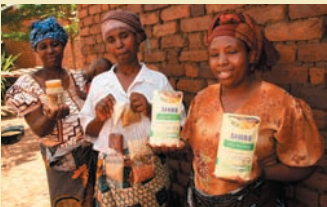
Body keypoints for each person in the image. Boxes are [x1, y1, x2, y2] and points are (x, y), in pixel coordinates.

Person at [151, 12, 324, 207]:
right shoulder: (202, 99)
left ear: (251, 55)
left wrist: (264, 173)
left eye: (231, 52)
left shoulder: (280, 103)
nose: (221, 61)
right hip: (200, 200)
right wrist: (173, 149)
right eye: (214, 54)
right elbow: (197, 152)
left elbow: (305, 167)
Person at [79, 10, 185, 207]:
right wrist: (100, 118)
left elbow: (177, 127)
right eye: (111, 40)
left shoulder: (156, 80)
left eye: (124, 36)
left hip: (150, 168)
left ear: (138, 38)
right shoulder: (101, 83)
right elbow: (88, 130)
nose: (119, 44)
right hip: (111, 167)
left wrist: (150, 110)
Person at [5, 17, 96, 207]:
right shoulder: (28, 84)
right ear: (36, 50)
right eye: (43, 46)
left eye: (55, 44)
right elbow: (39, 129)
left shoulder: (78, 78)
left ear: (63, 45)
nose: (50, 50)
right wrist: (50, 118)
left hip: (91, 156)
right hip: (62, 163)